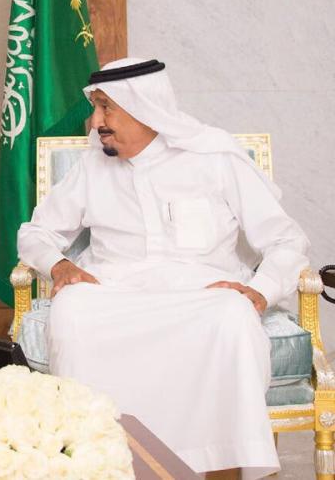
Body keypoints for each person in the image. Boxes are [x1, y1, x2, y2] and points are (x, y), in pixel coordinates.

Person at [17, 58, 310, 478]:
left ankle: (220, 468)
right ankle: (98, 463)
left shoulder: (214, 157)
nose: (95, 122)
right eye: (95, 107)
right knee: (72, 311)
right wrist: (59, 264)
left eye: (105, 107)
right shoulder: (92, 166)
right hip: (113, 297)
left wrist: (262, 289)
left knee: (232, 315)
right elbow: (34, 233)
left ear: (145, 108)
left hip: (200, 298)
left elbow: (286, 240)